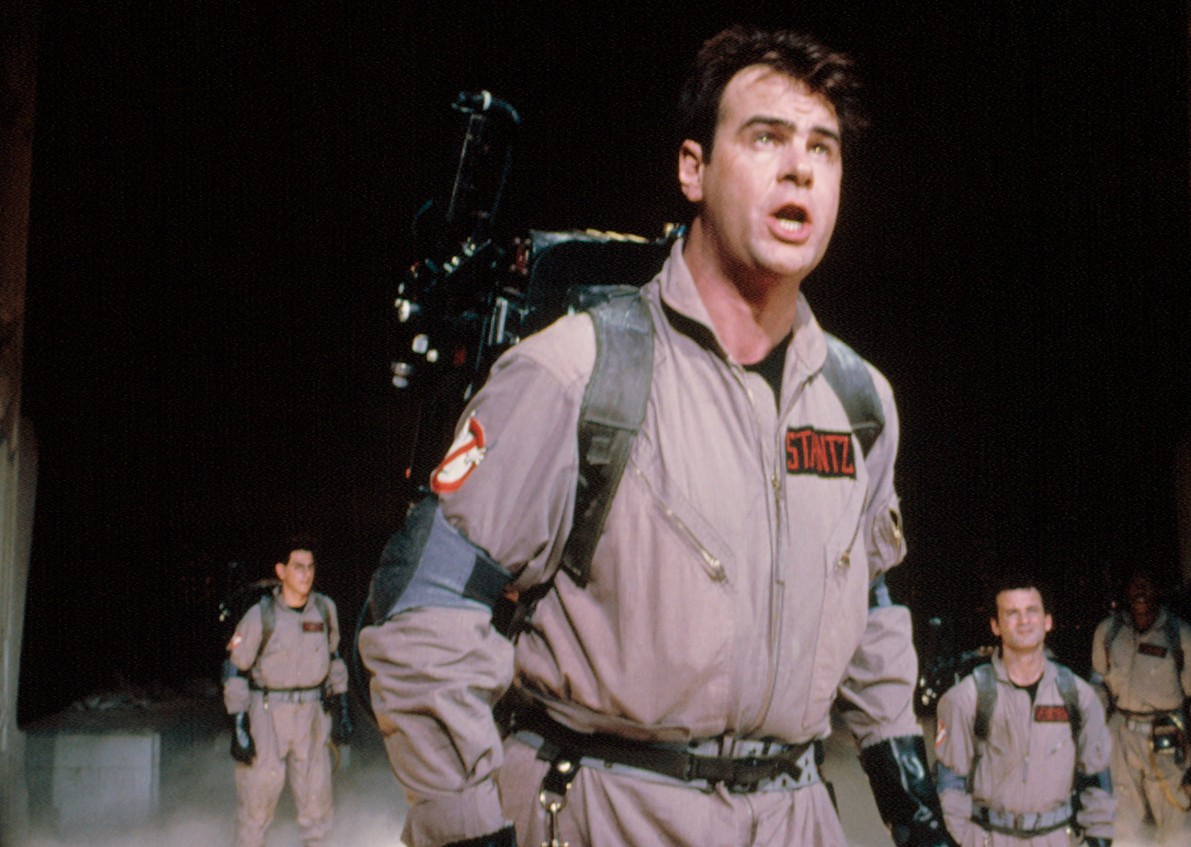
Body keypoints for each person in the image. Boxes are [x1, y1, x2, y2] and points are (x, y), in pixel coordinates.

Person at [359, 25, 954, 847]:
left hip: (797, 818)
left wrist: (913, 809)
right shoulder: (577, 373)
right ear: (692, 169)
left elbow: (873, 615)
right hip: (604, 813)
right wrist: (466, 826)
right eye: (765, 138)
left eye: (823, 147)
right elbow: (421, 608)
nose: (800, 168)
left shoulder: (858, 403)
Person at [934, 576, 1115, 847]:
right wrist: (966, 839)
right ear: (995, 626)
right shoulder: (966, 699)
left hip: (1056, 839)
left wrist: (1097, 839)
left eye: (1032, 611)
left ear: (1048, 621)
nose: (1024, 621)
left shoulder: (1078, 697)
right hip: (990, 838)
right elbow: (949, 786)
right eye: (1012, 613)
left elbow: (1097, 779)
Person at [223, 537, 354, 847]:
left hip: (312, 714)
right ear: (281, 571)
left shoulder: (325, 610)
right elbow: (235, 671)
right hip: (268, 713)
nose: (306, 574)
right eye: (298, 567)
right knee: (257, 799)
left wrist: (343, 708)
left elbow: (335, 658)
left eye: (310, 567)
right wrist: (239, 725)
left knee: (317, 799)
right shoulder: (260, 616)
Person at [1090, 569, 1191, 843]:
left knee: (1177, 825)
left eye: (1148, 583)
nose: (1141, 591)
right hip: (1121, 735)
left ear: (1159, 589)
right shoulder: (1109, 632)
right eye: (1135, 583)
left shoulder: (1182, 636)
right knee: (1124, 823)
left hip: (1166, 736)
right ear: (1126, 590)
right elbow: (1097, 686)